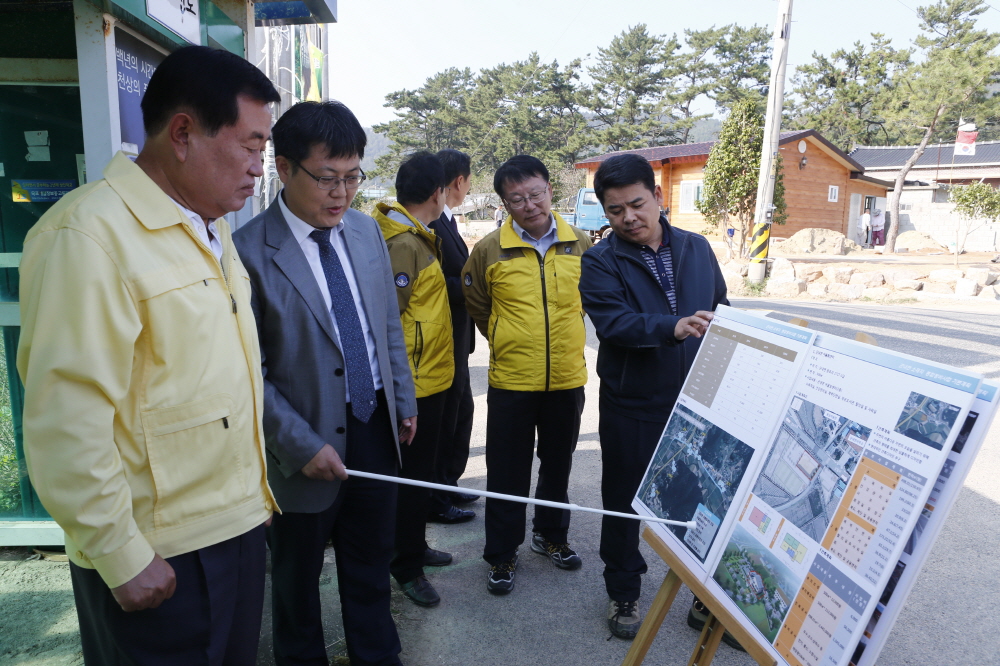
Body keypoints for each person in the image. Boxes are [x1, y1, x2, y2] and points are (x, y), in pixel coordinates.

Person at [16, 46, 279, 664]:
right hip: (159, 553)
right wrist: (120, 552)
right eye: (250, 146)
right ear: (182, 133)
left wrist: (250, 501)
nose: (257, 168)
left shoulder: (208, 227)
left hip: (234, 527)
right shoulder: (89, 235)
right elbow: (65, 418)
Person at [232, 101, 416, 666]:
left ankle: (377, 655)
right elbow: (247, 371)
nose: (342, 194)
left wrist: (403, 399)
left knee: (371, 559)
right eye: (327, 178)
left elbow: (386, 323)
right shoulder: (248, 253)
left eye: (353, 177)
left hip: (375, 423)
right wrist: (297, 444)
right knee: (296, 576)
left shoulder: (364, 231)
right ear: (284, 168)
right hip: (302, 439)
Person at [578, 153, 728, 640]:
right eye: (615, 210)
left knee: (704, 498)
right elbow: (614, 324)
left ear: (658, 196)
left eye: (637, 204)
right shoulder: (600, 261)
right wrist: (673, 327)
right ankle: (623, 590)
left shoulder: (696, 247)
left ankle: (704, 596)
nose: (628, 217)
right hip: (633, 404)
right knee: (624, 502)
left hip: (697, 400)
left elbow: (721, 306)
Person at [462, 154, 591, 595]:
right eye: (517, 199)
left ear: (550, 190)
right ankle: (501, 554)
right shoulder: (488, 249)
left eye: (535, 194)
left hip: (567, 379)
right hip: (512, 381)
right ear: (504, 204)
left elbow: (593, 299)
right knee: (507, 471)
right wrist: (505, 337)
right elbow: (478, 304)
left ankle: (551, 536)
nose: (529, 205)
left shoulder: (580, 244)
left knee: (558, 464)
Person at [372, 151, 456, 607]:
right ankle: (405, 566)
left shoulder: (417, 236)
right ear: (437, 192)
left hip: (432, 377)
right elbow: (388, 319)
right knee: (411, 479)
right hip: (415, 383)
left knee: (421, 477)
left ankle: (414, 546)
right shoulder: (404, 243)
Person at [428, 149, 480, 523]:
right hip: (443, 337)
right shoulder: (433, 223)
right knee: (447, 418)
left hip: (458, 338)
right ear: (459, 181)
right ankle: (437, 496)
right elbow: (433, 283)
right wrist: (476, 286)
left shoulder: (447, 219)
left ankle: (448, 482)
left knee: (461, 412)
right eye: (469, 181)